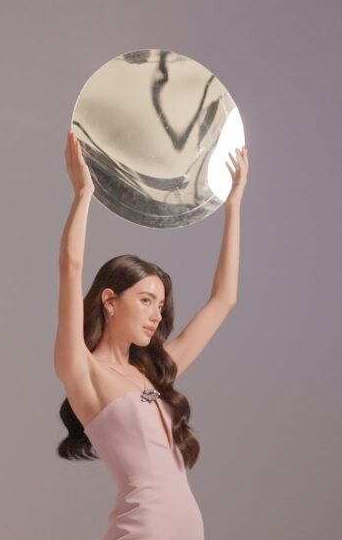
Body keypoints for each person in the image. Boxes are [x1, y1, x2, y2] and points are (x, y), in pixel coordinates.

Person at [54, 129, 248, 540]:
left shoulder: (154, 373)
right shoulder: (83, 371)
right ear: (110, 300)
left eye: (160, 305)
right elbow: (71, 266)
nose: (156, 315)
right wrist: (83, 194)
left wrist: (232, 206)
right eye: (145, 300)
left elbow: (223, 300)